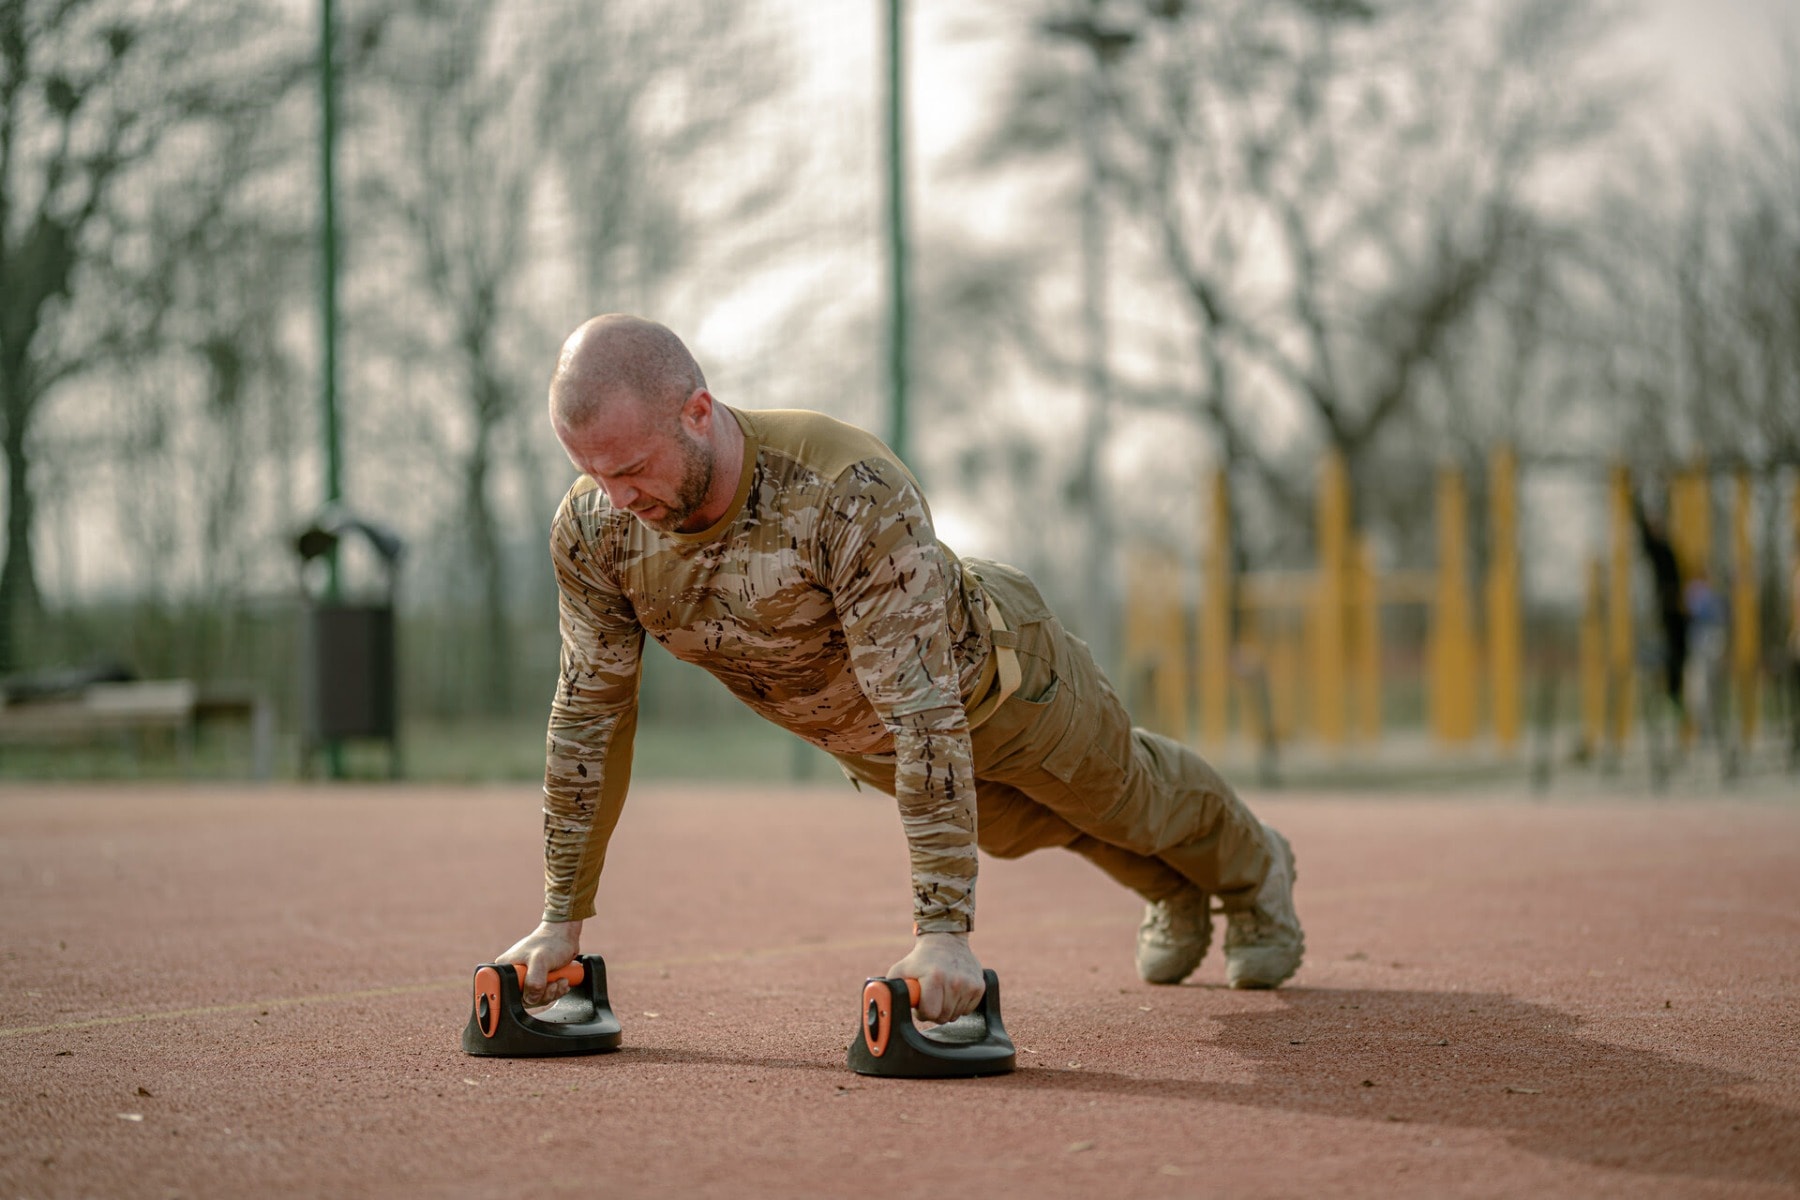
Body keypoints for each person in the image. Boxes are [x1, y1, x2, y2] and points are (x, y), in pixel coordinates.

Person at [494, 315, 1302, 1023]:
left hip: (1002, 684)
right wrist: (561, 919)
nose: (617, 494)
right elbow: (588, 713)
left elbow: (924, 708)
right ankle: (1175, 892)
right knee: (1042, 829)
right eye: (593, 472)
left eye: (632, 468)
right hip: (872, 737)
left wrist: (942, 936)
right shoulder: (598, 528)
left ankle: (1257, 871)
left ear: (697, 412)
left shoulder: (843, 489)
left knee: (1122, 797)